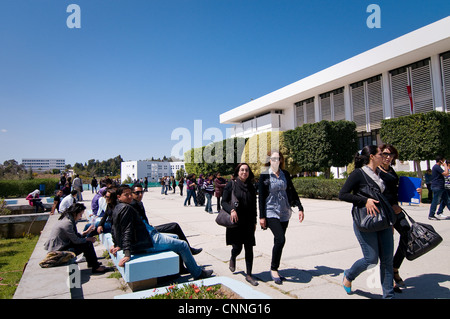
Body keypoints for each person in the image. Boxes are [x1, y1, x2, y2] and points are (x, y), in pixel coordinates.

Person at [110, 185, 212, 280]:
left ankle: (178, 269)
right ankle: (198, 273)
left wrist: (117, 244)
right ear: (119, 196)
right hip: (148, 241)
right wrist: (127, 253)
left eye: (129, 194)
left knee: (176, 237)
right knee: (183, 245)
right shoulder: (126, 208)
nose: (129, 196)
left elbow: (114, 227)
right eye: (126, 195)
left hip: (148, 236)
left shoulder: (118, 207)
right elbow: (127, 230)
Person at [339, 145, 395, 299]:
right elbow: (342, 194)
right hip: (366, 221)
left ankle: (388, 296)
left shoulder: (382, 173)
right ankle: (349, 275)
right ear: (372, 156)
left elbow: (388, 196)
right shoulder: (359, 174)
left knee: (387, 260)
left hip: (384, 221)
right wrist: (365, 201)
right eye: (380, 154)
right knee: (371, 260)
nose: (384, 156)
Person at [258, 150, 304, 285]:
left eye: (278, 158)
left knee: (279, 241)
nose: (276, 161)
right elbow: (261, 197)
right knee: (280, 238)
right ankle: (273, 269)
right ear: (269, 160)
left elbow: (292, 190)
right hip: (270, 210)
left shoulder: (285, 174)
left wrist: (300, 207)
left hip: (284, 211)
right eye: (273, 159)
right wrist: (262, 216)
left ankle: (275, 266)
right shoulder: (264, 175)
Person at [377, 144, 409, 292]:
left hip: (396, 210)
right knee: (387, 246)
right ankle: (390, 281)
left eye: (391, 155)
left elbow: (394, 190)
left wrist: (413, 192)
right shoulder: (376, 171)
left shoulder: (391, 170)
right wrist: (390, 208)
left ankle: (395, 267)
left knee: (407, 234)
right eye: (385, 154)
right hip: (385, 212)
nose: (388, 157)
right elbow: (377, 194)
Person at [44, 203, 111, 274]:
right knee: (87, 244)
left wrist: (85, 232)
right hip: (58, 251)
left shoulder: (67, 219)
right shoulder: (68, 223)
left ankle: (93, 264)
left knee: (86, 243)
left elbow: (73, 236)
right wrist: (88, 239)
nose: (81, 217)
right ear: (75, 213)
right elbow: (76, 241)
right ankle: (96, 267)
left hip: (61, 246)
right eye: (80, 214)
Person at [222, 163, 258, 286]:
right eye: (242, 170)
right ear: (238, 172)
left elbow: (254, 206)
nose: (244, 172)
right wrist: (231, 210)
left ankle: (249, 274)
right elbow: (224, 202)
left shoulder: (251, 187)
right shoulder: (231, 185)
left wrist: (255, 221)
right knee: (237, 247)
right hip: (236, 222)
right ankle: (233, 257)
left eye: (246, 170)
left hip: (248, 222)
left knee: (249, 248)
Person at [428, 155, 449, 220]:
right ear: (440, 161)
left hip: (441, 187)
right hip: (437, 187)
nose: (444, 162)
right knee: (435, 201)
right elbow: (446, 173)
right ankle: (431, 215)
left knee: (447, 200)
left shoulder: (437, 167)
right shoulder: (436, 167)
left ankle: (434, 214)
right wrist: (445, 165)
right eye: (443, 160)